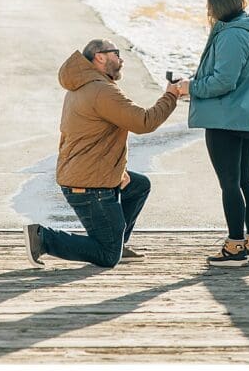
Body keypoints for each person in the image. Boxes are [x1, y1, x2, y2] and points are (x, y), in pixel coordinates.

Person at [24, 38, 184, 268]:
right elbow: (143, 122)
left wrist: (118, 169)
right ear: (100, 56)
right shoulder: (100, 90)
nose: (121, 60)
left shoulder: (86, 85)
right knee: (107, 257)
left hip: (88, 173)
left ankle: (116, 242)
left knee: (138, 186)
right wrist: (171, 95)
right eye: (116, 53)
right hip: (88, 185)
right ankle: (43, 238)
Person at [179, 0, 249, 267]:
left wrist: (189, 87)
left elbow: (223, 82)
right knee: (245, 181)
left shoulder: (231, 35)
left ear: (216, 7)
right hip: (246, 116)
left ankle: (234, 247)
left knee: (230, 183)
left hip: (226, 118)